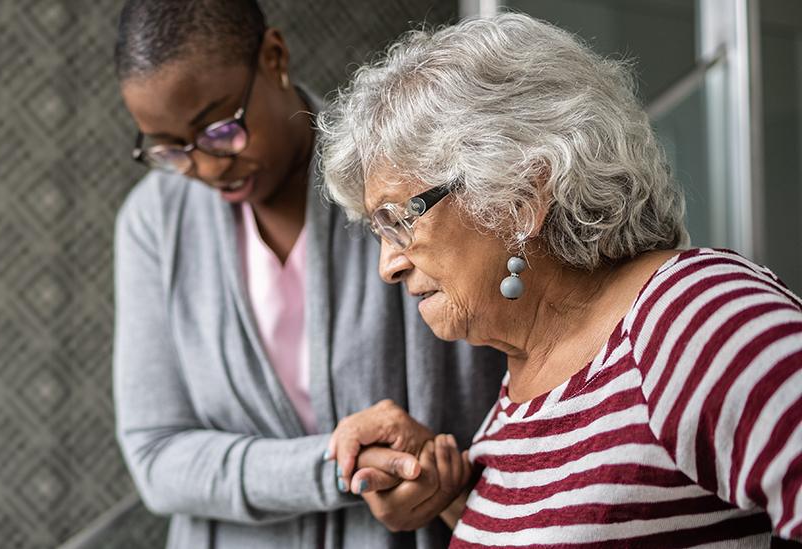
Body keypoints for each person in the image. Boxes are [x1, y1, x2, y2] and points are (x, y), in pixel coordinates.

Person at [317, 12, 802, 547]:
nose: (389, 265)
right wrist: (448, 492)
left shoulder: (691, 315)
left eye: (401, 219)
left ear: (520, 199)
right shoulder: (521, 387)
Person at [111, 1, 505, 548]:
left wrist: (435, 473)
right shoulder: (154, 223)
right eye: (172, 149)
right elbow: (157, 454)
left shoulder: (401, 177)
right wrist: (338, 465)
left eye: (221, 128)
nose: (204, 166)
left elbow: (496, 386)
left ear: (274, 58)